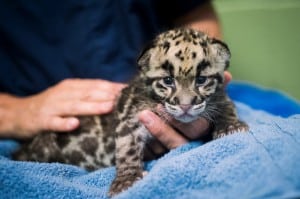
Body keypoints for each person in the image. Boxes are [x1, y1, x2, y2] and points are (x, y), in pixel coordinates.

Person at [0, 0, 231, 151]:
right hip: (27, 132)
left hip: (178, 116)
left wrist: (196, 75)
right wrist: (11, 113)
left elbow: (197, 15)